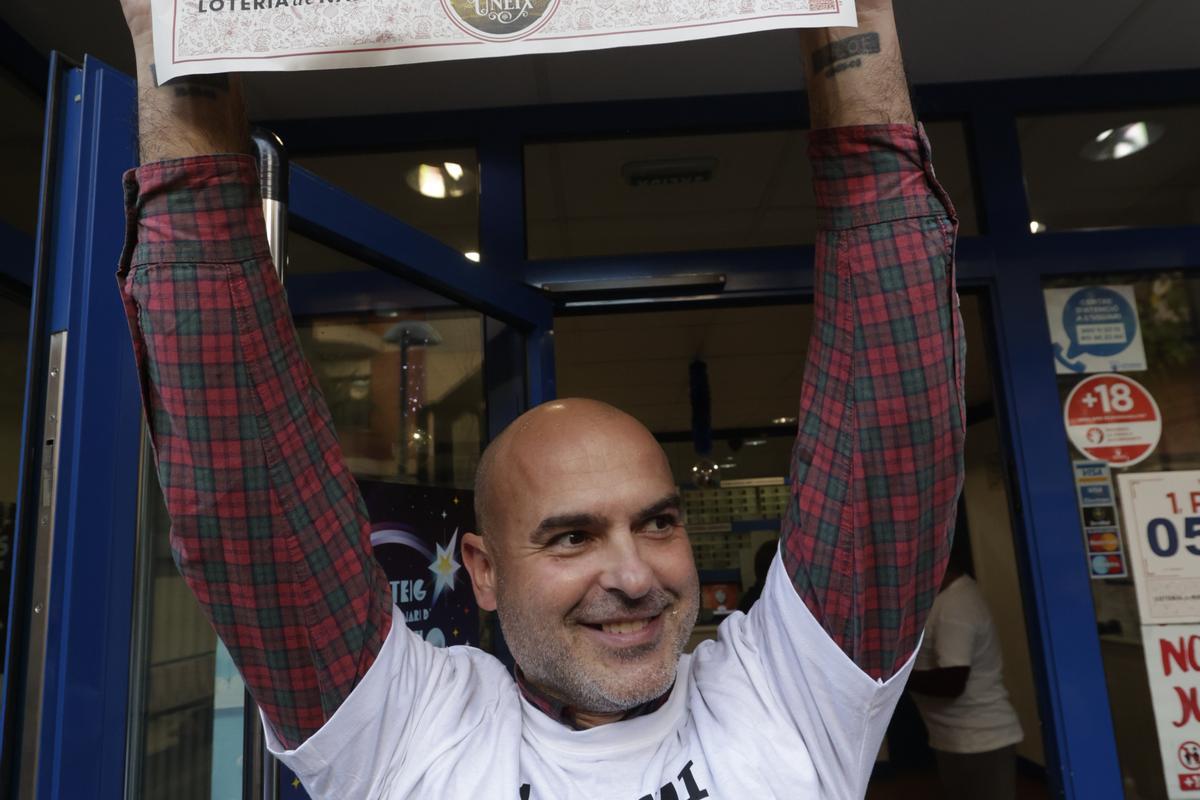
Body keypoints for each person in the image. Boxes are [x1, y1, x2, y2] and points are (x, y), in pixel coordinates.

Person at [115, 0, 964, 795]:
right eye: (571, 537)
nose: (634, 576)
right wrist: (186, 40)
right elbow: (248, 492)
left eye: (658, 522)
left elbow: (890, 421)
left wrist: (860, 21)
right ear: (480, 570)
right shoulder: (406, 729)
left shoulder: (788, 699)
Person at [908, 555, 1024, 800]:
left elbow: (952, 681)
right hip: (954, 737)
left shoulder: (956, 605)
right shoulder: (946, 599)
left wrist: (896, 682)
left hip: (979, 739)